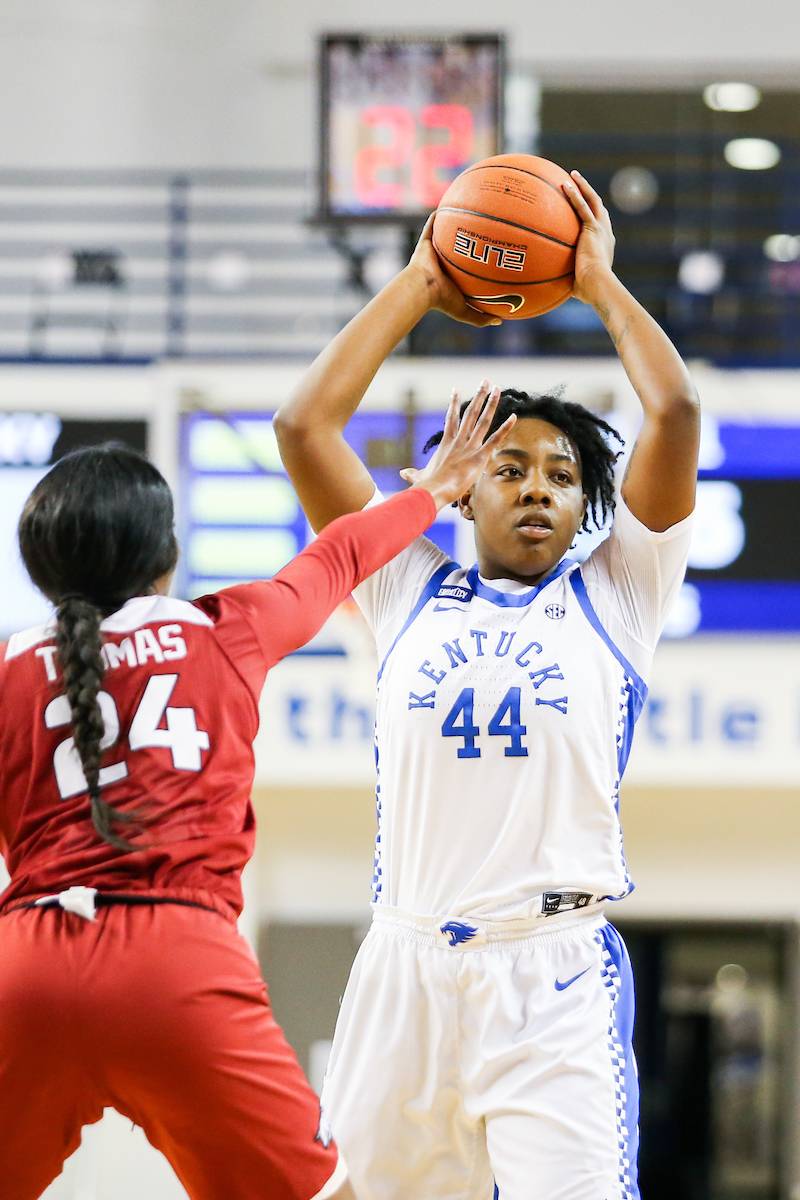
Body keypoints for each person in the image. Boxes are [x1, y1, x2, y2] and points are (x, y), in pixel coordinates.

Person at [274, 170, 700, 1200]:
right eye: (509, 469)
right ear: (462, 493)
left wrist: (596, 284)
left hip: (549, 971)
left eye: (560, 476)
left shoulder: (618, 596)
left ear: (583, 507)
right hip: (406, 963)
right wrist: (422, 278)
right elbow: (302, 427)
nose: (538, 489)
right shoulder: (401, 590)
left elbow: (674, 408)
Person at [0, 394, 513, 1200]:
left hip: (24, 966)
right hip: (175, 965)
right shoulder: (224, 627)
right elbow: (339, 557)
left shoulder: (7, 669)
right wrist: (438, 489)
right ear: (165, 555)